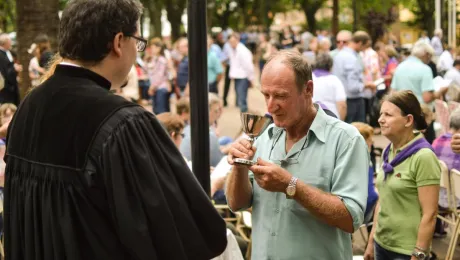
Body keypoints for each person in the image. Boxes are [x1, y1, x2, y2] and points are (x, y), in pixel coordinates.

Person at [3, 1, 227, 259]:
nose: (137, 53)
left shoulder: (27, 109)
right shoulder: (122, 122)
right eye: (138, 42)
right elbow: (188, 233)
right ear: (119, 42)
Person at [225, 50, 369, 259]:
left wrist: (290, 185)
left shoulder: (346, 139)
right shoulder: (265, 136)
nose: (271, 106)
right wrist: (238, 167)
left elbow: (351, 219)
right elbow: (237, 204)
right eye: (266, 94)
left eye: (281, 96)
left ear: (308, 89)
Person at [364, 90, 440, 260]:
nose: (380, 119)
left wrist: (418, 254)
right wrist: (371, 242)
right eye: (381, 113)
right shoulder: (389, 150)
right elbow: (382, 200)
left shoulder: (423, 157)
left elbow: (430, 214)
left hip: (406, 251)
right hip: (381, 244)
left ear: (408, 120)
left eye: (388, 115)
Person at [332, 31, 376, 123]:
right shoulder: (352, 59)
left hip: (341, 99)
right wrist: (367, 85)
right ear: (360, 43)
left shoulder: (339, 55)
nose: (365, 50)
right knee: (358, 130)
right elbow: (353, 86)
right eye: (365, 46)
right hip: (353, 101)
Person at [312, 53, 347, 120]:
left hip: (312, 119)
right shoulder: (335, 80)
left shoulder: (308, 78)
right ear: (331, 65)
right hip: (332, 120)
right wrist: (341, 123)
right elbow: (342, 105)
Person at [0, 33, 21, 105]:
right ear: (5, 42)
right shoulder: (1, 55)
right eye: (10, 41)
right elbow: (4, 72)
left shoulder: (8, 52)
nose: (11, 43)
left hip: (12, 87)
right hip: (6, 90)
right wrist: (14, 69)